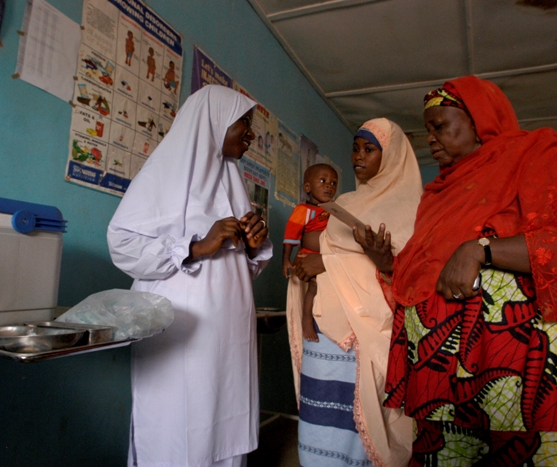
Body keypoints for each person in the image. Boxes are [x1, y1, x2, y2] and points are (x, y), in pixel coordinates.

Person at [380, 76, 557, 465]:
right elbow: (427, 271)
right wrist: (389, 263)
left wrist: (483, 249)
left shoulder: (533, 153)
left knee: (524, 453)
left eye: (440, 126)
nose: (430, 139)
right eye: (427, 130)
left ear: (477, 119)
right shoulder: (437, 194)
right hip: (439, 377)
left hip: (514, 365)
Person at [107, 85, 272, 467]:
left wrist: (252, 245)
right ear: (213, 123)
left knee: (224, 424)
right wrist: (196, 246)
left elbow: (244, 267)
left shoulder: (232, 179)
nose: (250, 134)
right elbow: (122, 244)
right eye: (242, 123)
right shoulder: (165, 172)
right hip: (181, 330)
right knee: (177, 426)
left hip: (228, 334)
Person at [289, 118, 422, 466]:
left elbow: (409, 272)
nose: (358, 157)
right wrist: (322, 261)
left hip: (364, 334)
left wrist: (328, 263)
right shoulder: (346, 201)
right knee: (320, 410)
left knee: (359, 418)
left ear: (390, 156)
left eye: (370, 149)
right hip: (325, 326)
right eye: (355, 148)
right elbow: (326, 248)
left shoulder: (411, 206)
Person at [282, 163, 339, 342]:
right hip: (307, 257)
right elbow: (291, 235)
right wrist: (286, 260)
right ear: (307, 187)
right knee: (313, 287)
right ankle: (307, 319)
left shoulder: (333, 210)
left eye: (333, 183)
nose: (329, 186)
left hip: (327, 261)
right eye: (323, 181)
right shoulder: (303, 210)